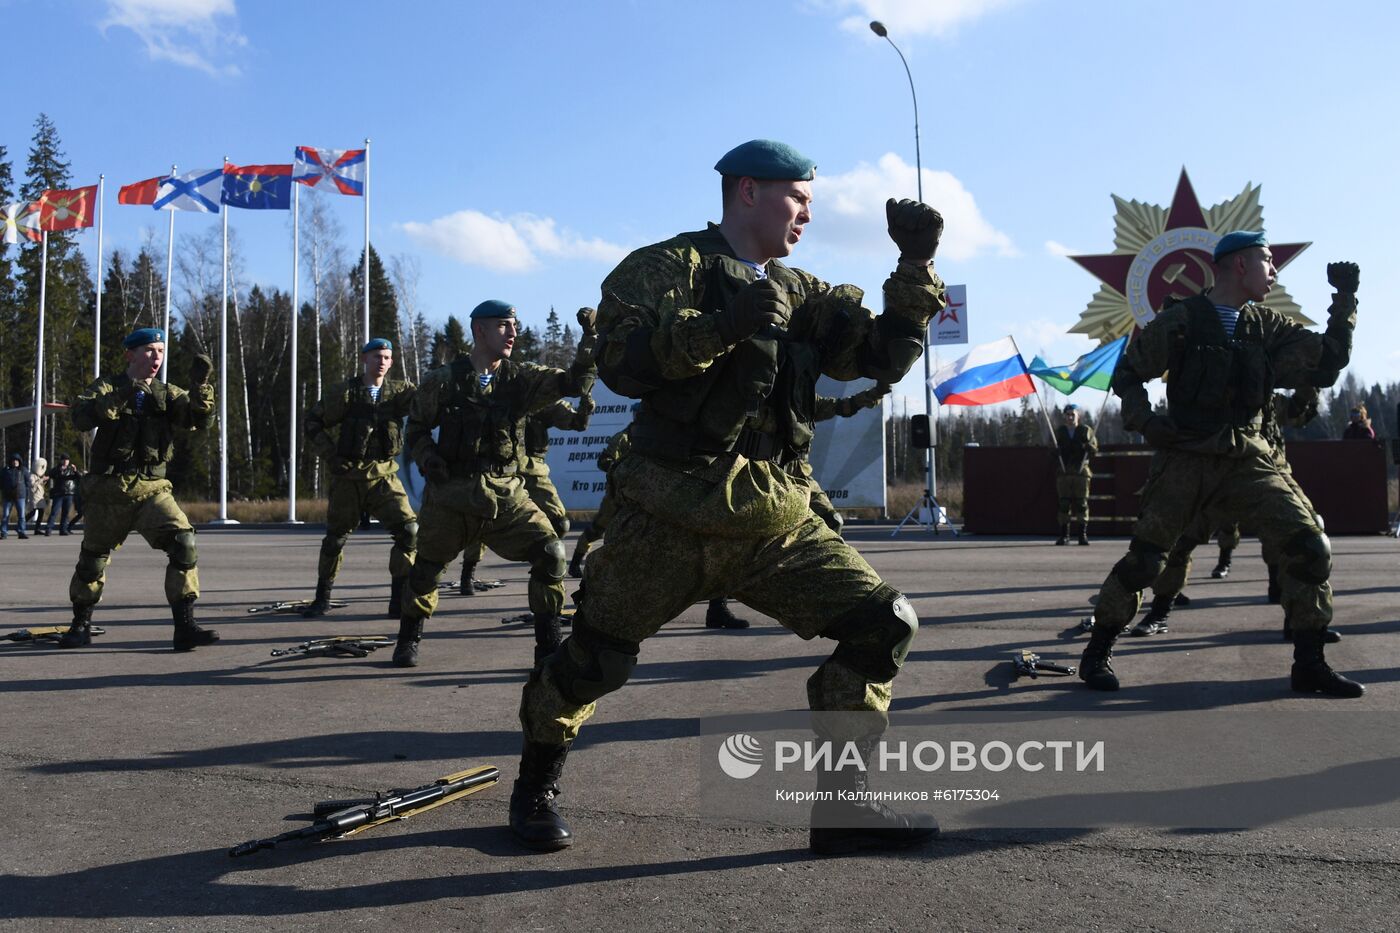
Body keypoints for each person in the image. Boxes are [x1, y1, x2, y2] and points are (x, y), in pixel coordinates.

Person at [510, 139, 948, 856]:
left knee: (884, 622)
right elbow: (623, 365)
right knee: (591, 661)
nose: (808, 211)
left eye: (811, 200)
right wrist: (726, 324)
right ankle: (535, 784)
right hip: (667, 515)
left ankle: (843, 808)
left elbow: (880, 355)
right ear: (747, 190)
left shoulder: (804, 291)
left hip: (773, 520)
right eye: (798, 196)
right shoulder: (666, 267)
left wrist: (915, 265)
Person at [1077, 232, 1362, 697]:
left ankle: (1309, 662)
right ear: (1239, 266)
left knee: (1311, 547)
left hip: (1249, 456)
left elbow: (1329, 360)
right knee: (1147, 561)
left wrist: (1344, 299)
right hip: (1186, 456)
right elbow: (1129, 372)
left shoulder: (1267, 326)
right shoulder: (1183, 320)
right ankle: (1098, 651)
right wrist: (1146, 422)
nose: (1274, 271)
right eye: (1267, 261)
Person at [395, 300, 597, 668]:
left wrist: (590, 340)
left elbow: (573, 382)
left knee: (551, 553)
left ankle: (548, 648)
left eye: (514, 326)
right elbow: (417, 427)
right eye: (504, 325)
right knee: (425, 571)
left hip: (507, 495)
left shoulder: (521, 378)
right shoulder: (444, 380)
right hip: (451, 497)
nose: (513, 333)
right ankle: (409, 637)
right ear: (480, 331)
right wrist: (428, 458)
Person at [56, 327, 220, 651]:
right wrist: (122, 394)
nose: (156, 357)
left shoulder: (167, 392)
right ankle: (80, 625)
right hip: (109, 488)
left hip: (151, 487)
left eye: (160, 351)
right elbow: (80, 417)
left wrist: (201, 390)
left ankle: (184, 626)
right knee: (92, 560)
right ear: (130, 354)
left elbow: (200, 421)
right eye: (149, 350)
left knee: (184, 542)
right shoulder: (107, 385)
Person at [1130, 388, 1326, 640]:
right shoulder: (1215, 389)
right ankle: (1160, 611)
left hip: (1265, 471)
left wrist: (1312, 384)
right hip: (1213, 467)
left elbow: (1299, 415)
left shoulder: (1273, 400)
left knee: (1302, 537)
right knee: (1181, 542)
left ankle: (1301, 622)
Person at [301, 338, 418, 618]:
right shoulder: (345, 393)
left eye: (387, 357)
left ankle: (398, 597)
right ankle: (322, 596)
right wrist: (331, 456)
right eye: (377, 356)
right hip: (349, 476)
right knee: (335, 539)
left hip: (385, 476)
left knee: (408, 532)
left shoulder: (399, 393)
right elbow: (312, 422)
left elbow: (428, 403)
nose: (382, 361)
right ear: (364, 359)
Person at [459, 396, 595, 597]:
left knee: (559, 522)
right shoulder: (496, 396)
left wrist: (585, 408)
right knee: (486, 517)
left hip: (533, 469)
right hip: (499, 469)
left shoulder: (543, 401)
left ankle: (544, 562)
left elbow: (575, 423)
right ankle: (467, 572)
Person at [1053, 403, 1097, 545]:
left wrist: (1089, 447)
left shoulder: (1085, 430)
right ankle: (1064, 535)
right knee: (1064, 504)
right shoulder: (1060, 432)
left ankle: (1082, 535)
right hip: (1064, 472)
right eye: (1068, 415)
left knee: (1081, 504)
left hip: (1080, 472)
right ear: (1064, 416)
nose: (1070, 417)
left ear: (1078, 415)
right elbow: (1051, 449)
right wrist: (1056, 451)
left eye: (1073, 414)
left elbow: (1094, 449)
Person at [46, 454, 81, 535]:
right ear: (61, 460)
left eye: (67, 460)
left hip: (69, 493)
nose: (65, 461)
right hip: (59, 493)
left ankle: (63, 530)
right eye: (64, 460)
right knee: (54, 512)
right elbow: (50, 474)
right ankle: (48, 529)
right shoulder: (57, 469)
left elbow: (79, 478)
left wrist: (75, 470)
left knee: (65, 513)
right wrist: (59, 470)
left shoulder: (71, 469)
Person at [1, 452, 28, 540]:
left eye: (17, 460)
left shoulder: (23, 470)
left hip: (20, 496)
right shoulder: (5, 470)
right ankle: (4, 532)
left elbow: (28, 483)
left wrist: (26, 494)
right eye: (13, 460)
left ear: (20, 461)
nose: (15, 462)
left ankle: (21, 532)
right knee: (5, 515)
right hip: (7, 496)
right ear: (10, 461)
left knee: (21, 515)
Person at [26, 457, 50, 534]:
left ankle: (37, 529)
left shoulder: (38, 476)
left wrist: (44, 481)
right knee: (33, 512)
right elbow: (32, 485)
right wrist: (41, 480)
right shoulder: (32, 475)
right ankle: (21, 524)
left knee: (41, 512)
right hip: (34, 496)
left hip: (40, 496)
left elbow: (40, 485)